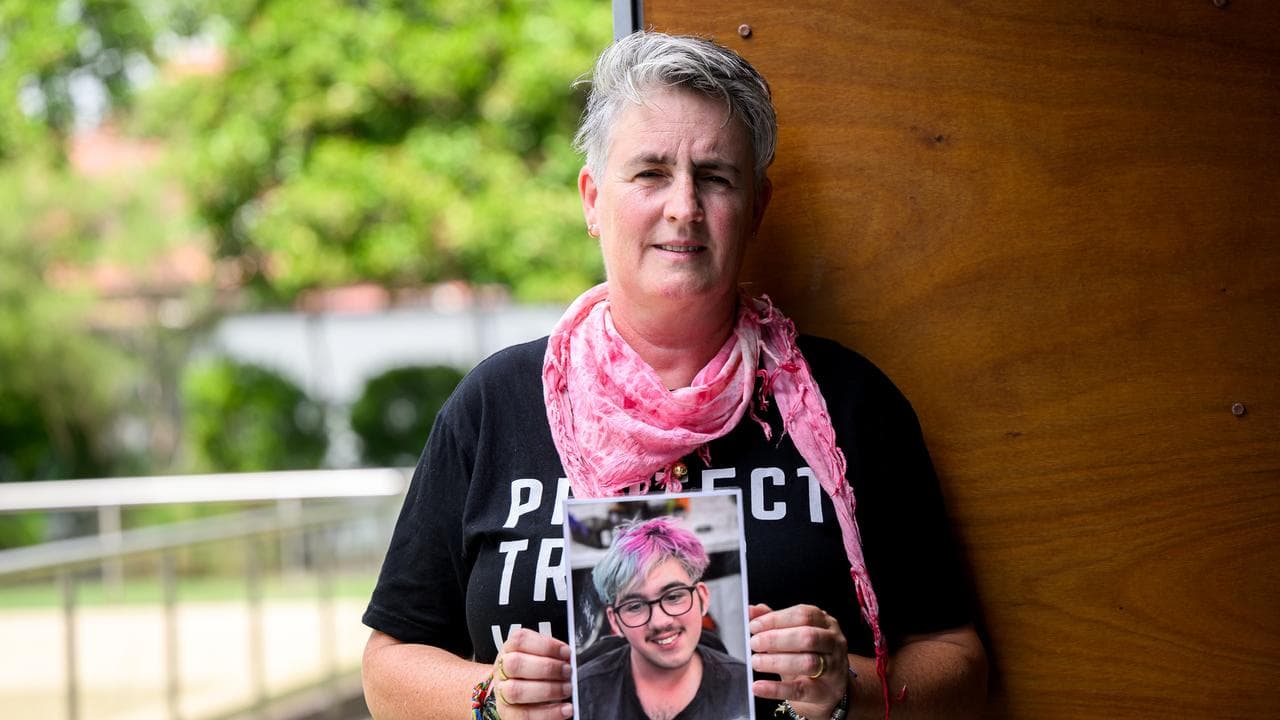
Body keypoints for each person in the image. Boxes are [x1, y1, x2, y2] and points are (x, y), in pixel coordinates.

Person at [361, 31, 987, 720]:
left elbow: (959, 663)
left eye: (715, 176)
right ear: (593, 200)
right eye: (650, 172)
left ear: (756, 207)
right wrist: (489, 698)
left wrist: (850, 687)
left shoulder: (852, 403)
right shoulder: (496, 404)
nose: (684, 207)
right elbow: (388, 668)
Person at [575, 516, 749, 720]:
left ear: (702, 598)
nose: (660, 622)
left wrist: (794, 709)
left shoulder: (746, 687)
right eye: (635, 606)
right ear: (615, 621)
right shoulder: (582, 695)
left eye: (673, 596)